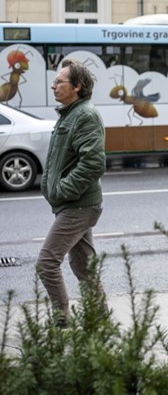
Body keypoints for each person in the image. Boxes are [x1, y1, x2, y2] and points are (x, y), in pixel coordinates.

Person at [37, 59, 107, 328]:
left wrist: (63, 190)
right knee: (83, 267)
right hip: (73, 204)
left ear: (77, 86)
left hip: (79, 205)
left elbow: (93, 163)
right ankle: (99, 320)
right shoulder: (71, 114)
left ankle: (61, 319)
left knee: (46, 262)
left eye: (59, 82)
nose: (53, 86)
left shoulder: (85, 115)